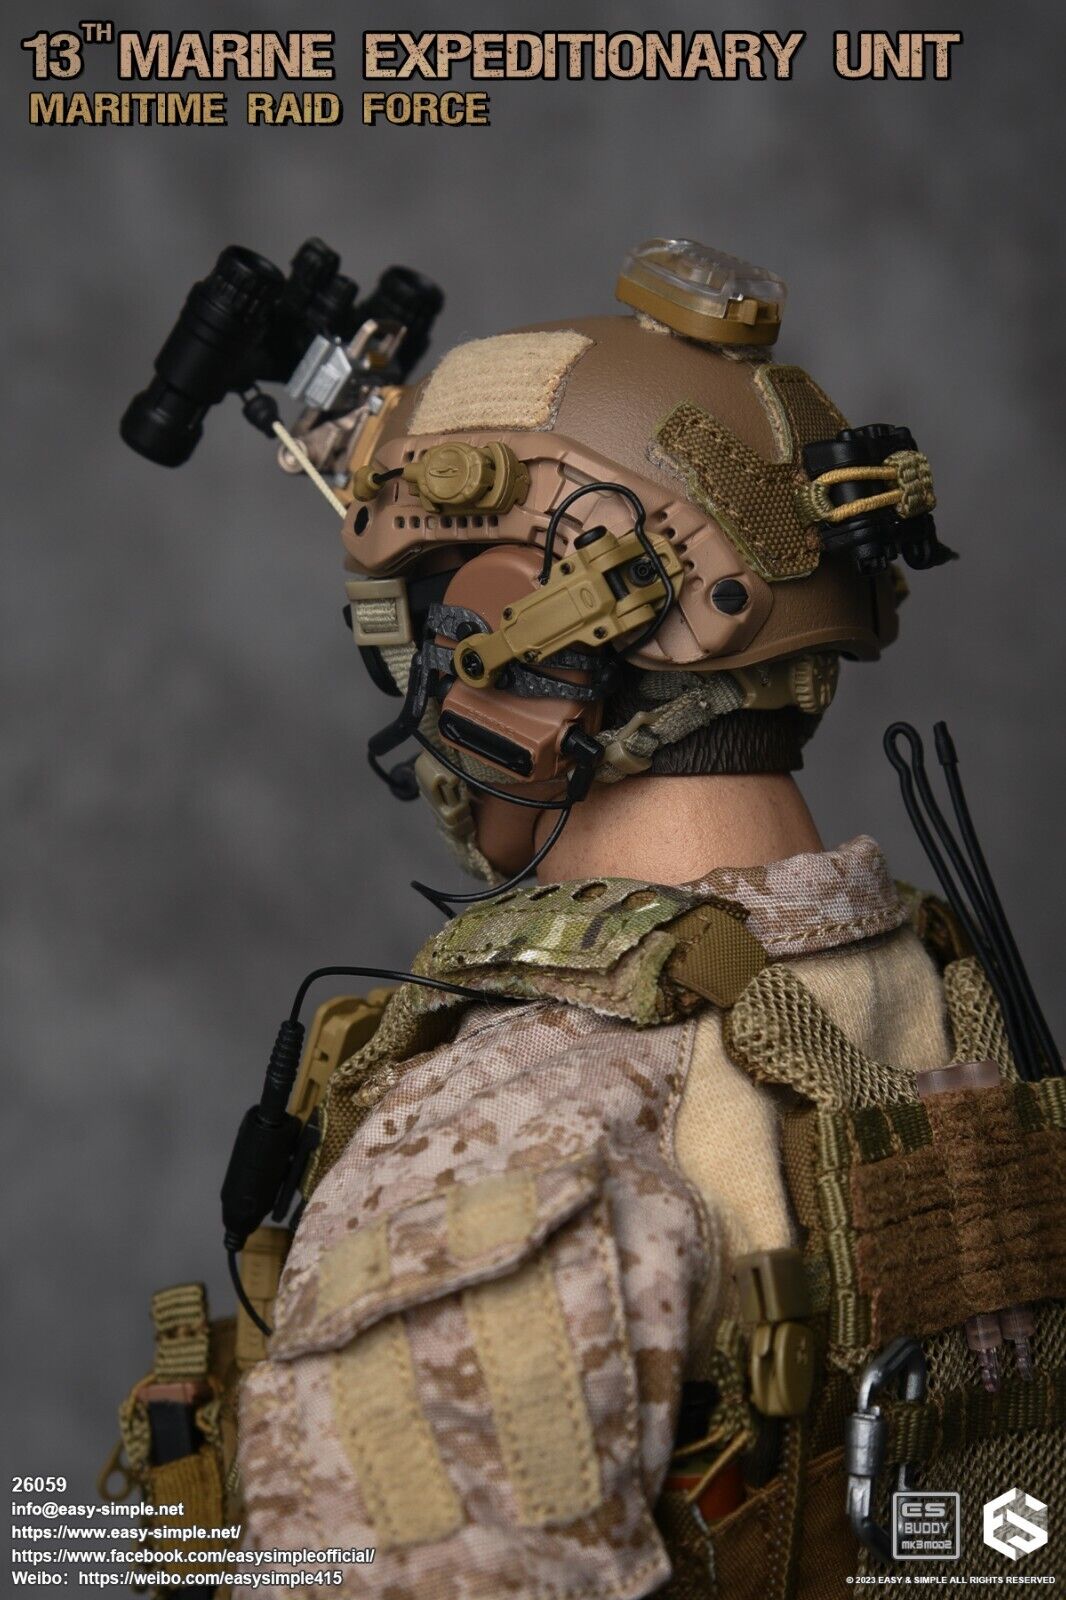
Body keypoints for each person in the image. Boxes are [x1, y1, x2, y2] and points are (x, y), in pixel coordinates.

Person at [117, 241, 1066, 1597]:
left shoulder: (514, 1129)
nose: (423, 692)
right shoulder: (940, 992)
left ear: (521, 640)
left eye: (423, 637)